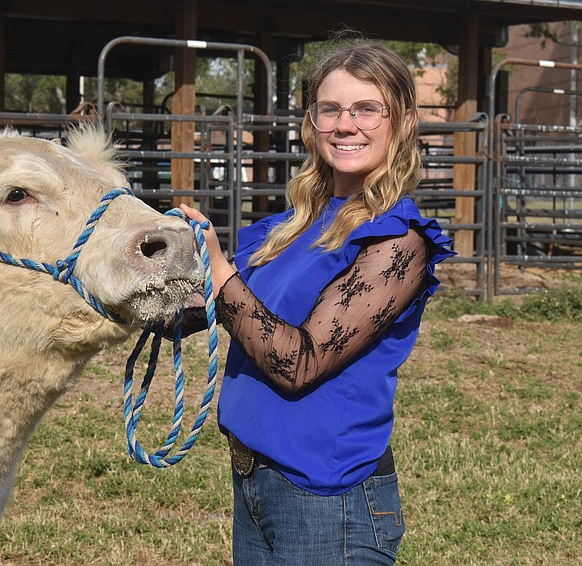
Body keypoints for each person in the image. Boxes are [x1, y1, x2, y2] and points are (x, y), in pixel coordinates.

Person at [178, 41, 455, 565]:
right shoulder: (288, 226)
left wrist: (218, 272)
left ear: (404, 121)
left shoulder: (396, 242)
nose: (345, 124)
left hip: (331, 502)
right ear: (312, 122)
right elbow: (203, 306)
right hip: (256, 481)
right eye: (331, 109)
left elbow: (299, 362)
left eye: (367, 109)